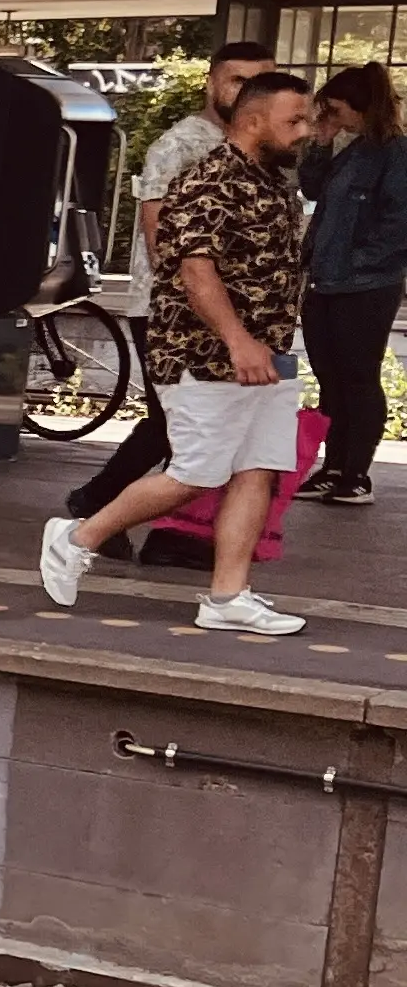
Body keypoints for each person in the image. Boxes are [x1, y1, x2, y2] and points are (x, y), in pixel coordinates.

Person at [40, 68, 317, 637]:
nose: (306, 130)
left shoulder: (272, 182)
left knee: (257, 472)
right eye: (295, 119)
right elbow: (195, 270)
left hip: (267, 354)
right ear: (254, 120)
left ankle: (227, 596)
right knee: (195, 473)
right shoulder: (211, 180)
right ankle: (78, 535)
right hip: (206, 356)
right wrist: (238, 340)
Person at [70, 38, 280, 520]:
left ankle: (156, 524)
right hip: (174, 312)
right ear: (212, 83)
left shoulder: (262, 149)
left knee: (208, 425)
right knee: (179, 423)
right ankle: (98, 506)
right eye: (238, 79)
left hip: (238, 315)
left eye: (261, 81)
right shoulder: (181, 146)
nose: (249, 91)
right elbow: (160, 237)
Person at [297, 62, 407, 506]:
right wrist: (321, 144)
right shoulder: (354, 149)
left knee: (359, 377)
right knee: (331, 377)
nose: (330, 114)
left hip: (366, 284)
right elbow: (312, 189)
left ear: (358, 105)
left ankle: (356, 472)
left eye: (336, 108)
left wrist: (358, 261)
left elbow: (399, 222)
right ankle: (334, 466)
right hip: (328, 280)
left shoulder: (396, 154)